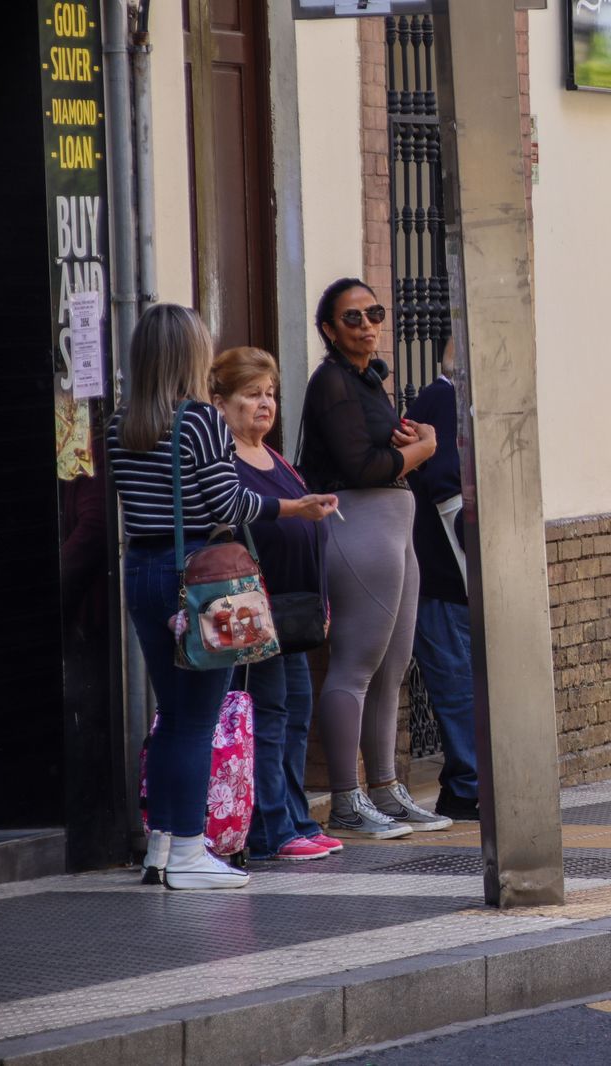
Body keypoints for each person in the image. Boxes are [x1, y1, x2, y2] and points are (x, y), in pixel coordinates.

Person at [108, 304, 338, 889]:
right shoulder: (200, 421)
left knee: (171, 716)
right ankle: (188, 850)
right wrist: (294, 506)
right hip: (200, 576)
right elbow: (229, 506)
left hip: (142, 570)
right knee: (195, 719)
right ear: (191, 355)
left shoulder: (119, 423)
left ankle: (160, 845)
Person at [298, 278, 450, 837]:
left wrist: (411, 446)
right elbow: (361, 467)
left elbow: (383, 455)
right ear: (329, 330)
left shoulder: (368, 382)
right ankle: (345, 799)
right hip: (358, 527)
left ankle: (385, 788)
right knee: (356, 666)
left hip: (394, 528)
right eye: (353, 318)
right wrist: (422, 449)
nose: (367, 326)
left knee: (393, 668)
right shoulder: (332, 383)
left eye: (374, 314)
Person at [211, 347, 344, 860]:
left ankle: (296, 817)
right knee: (268, 714)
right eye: (252, 395)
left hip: (294, 611)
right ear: (220, 402)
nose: (265, 404)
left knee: (294, 711)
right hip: (253, 614)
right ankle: (271, 828)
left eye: (270, 394)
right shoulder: (224, 464)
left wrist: (324, 603)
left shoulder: (277, 458)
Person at [405, 339, 480, 821]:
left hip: (451, 578)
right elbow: (450, 498)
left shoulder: (452, 403)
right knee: (460, 688)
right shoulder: (443, 401)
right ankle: (470, 786)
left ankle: (468, 783)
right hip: (444, 578)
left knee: (466, 685)